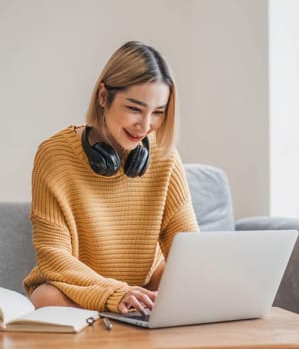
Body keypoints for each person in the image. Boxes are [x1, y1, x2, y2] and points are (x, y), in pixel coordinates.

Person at [23, 41, 199, 315]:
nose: (145, 125)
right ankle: (121, 313)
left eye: (158, 113)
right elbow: (53, 257)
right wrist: (116, 293)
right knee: (45, 296)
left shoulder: (165, 155)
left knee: (184, 280)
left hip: (143, 288)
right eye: (134, 108)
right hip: (78, 289)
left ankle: (128, 316)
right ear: (103, 96)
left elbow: (188, 246)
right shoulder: (54, 155)